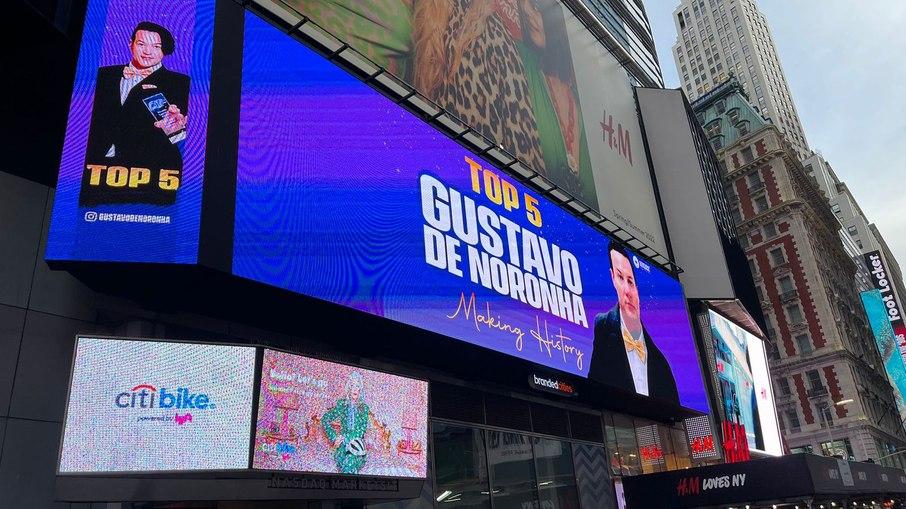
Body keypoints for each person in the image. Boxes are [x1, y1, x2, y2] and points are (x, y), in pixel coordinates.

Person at [80, 21, 189, 206]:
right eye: (141, 44)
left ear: (165, 50)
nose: (147, 51)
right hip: (94, 172)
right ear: (130, 44)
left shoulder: (182, 83)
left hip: (152, 175)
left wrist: (177, 130)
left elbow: (193, 141)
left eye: (156, 46)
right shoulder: (101, 75)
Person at [515, 0, 596, 205]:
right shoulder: (522, 62)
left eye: (534, 7)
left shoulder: (590, 105)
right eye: (524, 10)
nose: (529, 17)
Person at [588, 243, 680, 405]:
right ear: (612, 278)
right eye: (620, 278)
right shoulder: (603, 325)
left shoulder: (661, 364)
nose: (627, 291)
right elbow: (593, 391)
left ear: (637, 288)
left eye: (630, 281)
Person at [321, 371, 371, 474]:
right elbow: (325, 419)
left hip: (357, 447)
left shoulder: (364, 408)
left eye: (357, 386)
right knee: (345, 462)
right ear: (348, 388)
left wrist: (345, 437)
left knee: (350, 463)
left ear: (361, 389)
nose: (354, 389)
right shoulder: (342, 405)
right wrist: (334, 437)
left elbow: (360, 432)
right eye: (352, 385)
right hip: (342, 447)